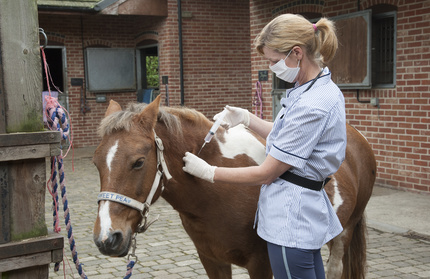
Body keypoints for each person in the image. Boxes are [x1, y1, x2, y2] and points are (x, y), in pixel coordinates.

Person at [183, 13, 346, 279]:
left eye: (273, 60)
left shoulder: (310, 105)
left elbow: (266, 173)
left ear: (296, 53)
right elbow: (289, 137)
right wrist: (247, 118)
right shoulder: (317, 87)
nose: (271, 67)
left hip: (291, 221)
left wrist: (209, 171)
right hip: (303, 215)